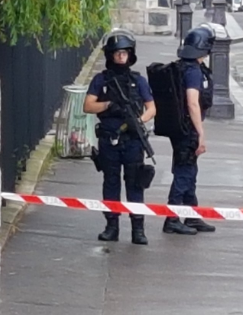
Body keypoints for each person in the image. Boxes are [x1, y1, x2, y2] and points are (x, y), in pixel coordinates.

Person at [83, 29, 157, 245]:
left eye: (124, 53)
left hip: (133, 141)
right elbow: (88, 105)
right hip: (109, 140)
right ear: (110, 55)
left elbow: (152, 108)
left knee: (135, 184)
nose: (121, 57)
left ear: (130, 54)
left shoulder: (138, 80)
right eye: (117, 53)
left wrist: (138, 123)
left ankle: (138, 229)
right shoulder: (101, 80)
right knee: (111, 182)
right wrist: (108, 105)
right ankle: (111, 226)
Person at [162, 25, 217, 235]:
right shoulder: (194, 72)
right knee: (184, 173)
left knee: (189, 171)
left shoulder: (181, 66)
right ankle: (172, 218)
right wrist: (200, 132)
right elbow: (193, 103)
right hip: (188, 129)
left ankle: (191, 215)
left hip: (178, 127)